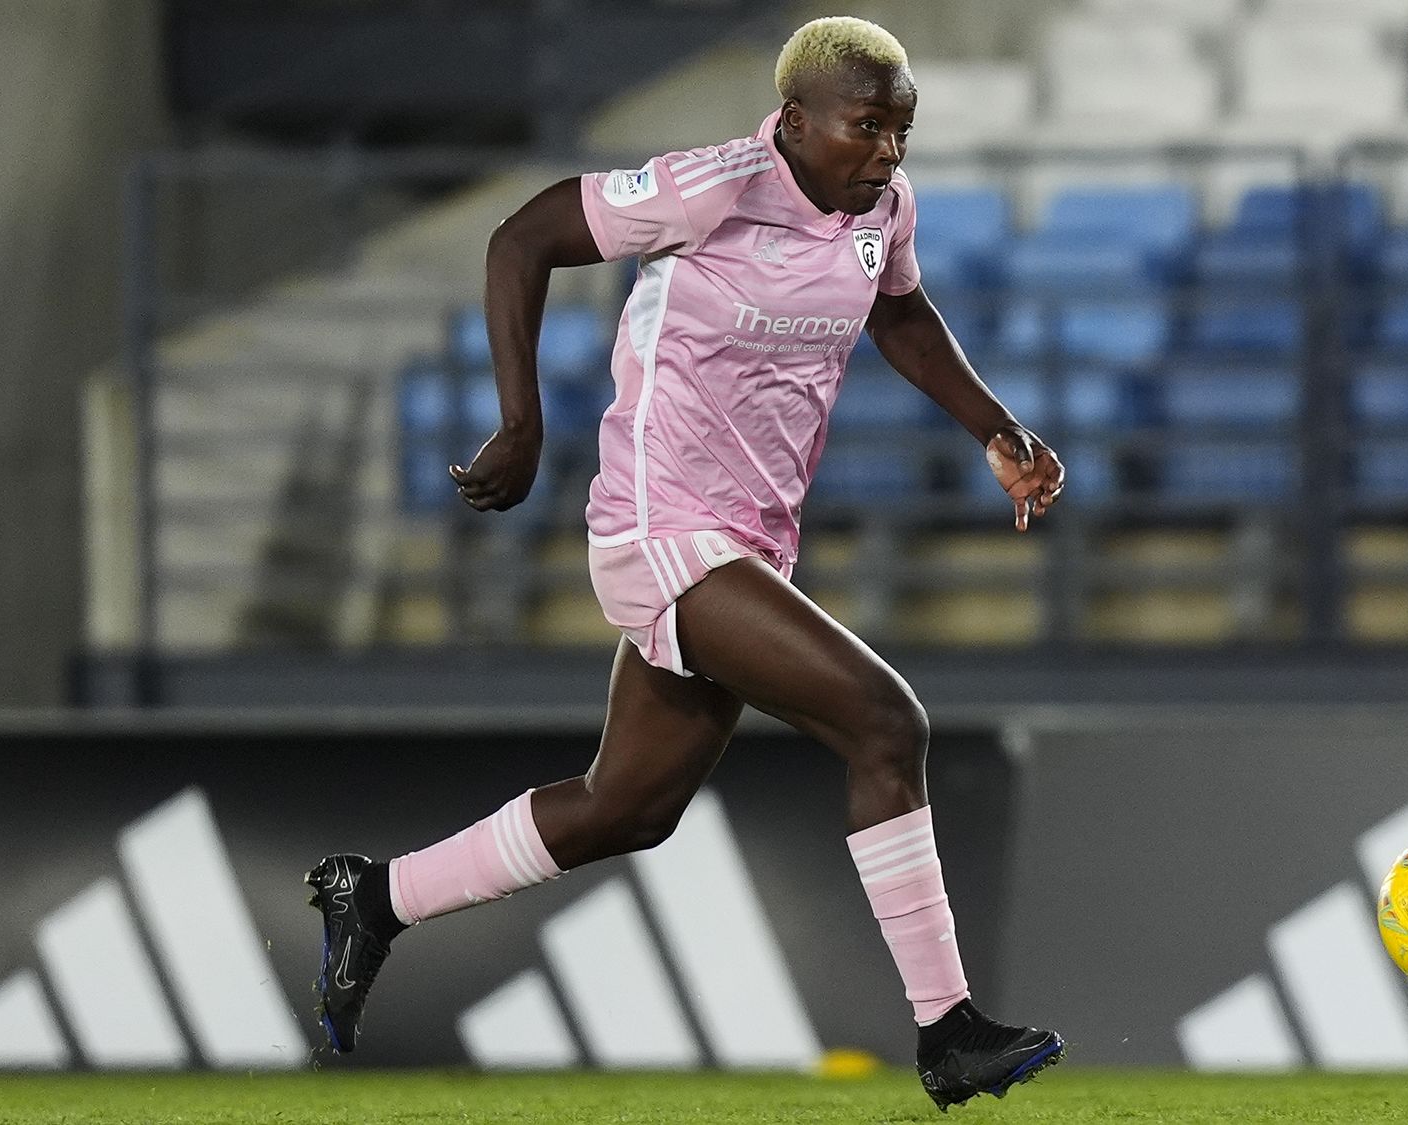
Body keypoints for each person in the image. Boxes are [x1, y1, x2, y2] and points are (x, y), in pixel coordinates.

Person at [306, 15, 1066, 1111]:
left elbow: (897, 314)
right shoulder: (711, 188)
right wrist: (520, 424)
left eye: (900, 132)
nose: (889, 154)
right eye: (867, 129)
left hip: (750, 544)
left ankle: (375, 898)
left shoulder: (877, 210)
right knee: (885, 725)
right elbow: (521, 236)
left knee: (628, 807)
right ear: (794, 123)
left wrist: (996, 428)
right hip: (658, 529)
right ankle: (946, 1031)